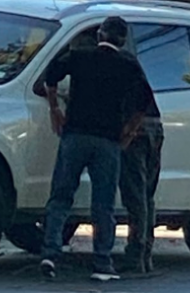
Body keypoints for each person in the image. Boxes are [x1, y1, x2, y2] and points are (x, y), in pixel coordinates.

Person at [39, 17, 152, 282]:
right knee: (103, 204)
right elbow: (144, 99)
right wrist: (130, 130)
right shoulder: (128, 64)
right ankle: (102, 262)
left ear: (100, 34)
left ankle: (50, 253)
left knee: (60, 197)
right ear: (122, 40)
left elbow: (50, 75)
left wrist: (55, 108)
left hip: (75, 135)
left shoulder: (79, 56)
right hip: (108, 142)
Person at [117, 89, 163, 275]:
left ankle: (136, 254)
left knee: (135, 196)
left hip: (136, 129)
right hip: (154, 127)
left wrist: (129, 131)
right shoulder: (140, 65)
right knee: (146, 195)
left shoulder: (123, 64)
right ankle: (145, 254)